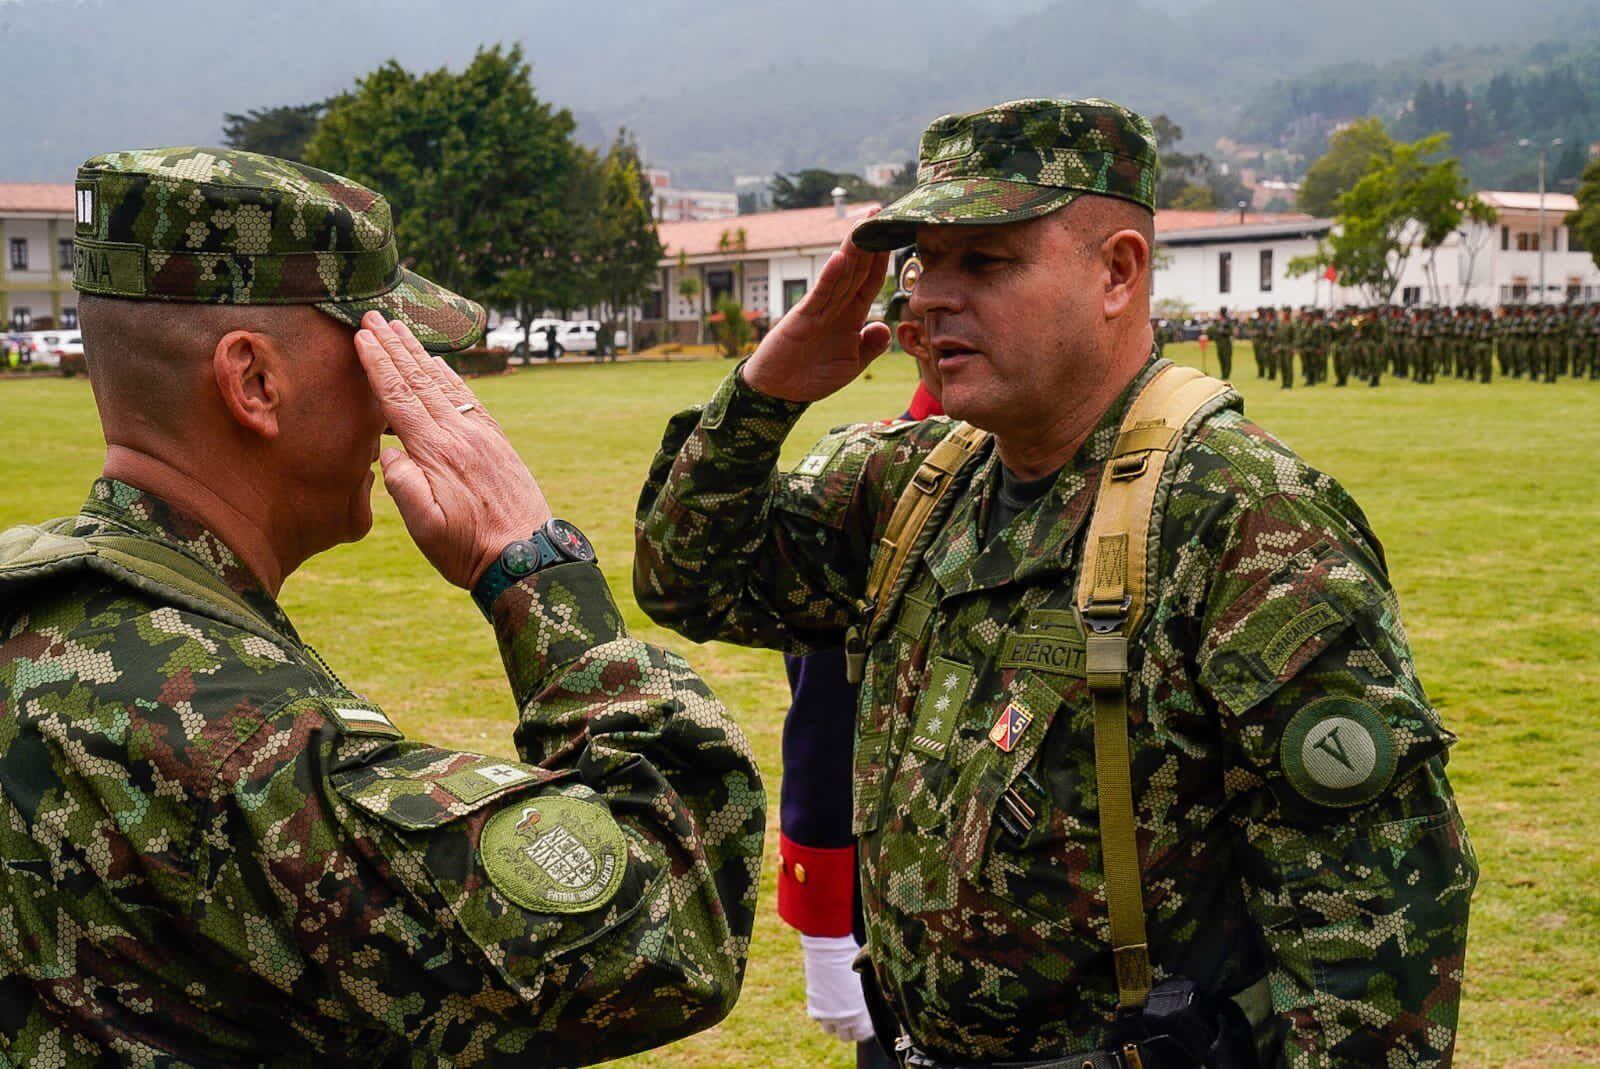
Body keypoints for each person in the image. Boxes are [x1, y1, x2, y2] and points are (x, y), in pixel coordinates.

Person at [633, 98, 1475, 1067]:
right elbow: (684, 576)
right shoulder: (913, 483)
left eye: (983, 262)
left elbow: (1368, 944)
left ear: (1116, 271)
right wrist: (764, 395)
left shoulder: (1245, 522)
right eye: (920, 265)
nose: (927, 300)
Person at [0, 147, 764, 1066]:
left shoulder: (31, 610)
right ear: (253, 382)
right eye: (379, 344)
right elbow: (675, 920)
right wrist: (532, 565)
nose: (398, 403)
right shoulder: (240, 742)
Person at [779, 264, 939, 1069]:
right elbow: (823, 722)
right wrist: (825, 929)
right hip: (902, 918)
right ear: (914, 334)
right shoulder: (871, 484)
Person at [1211, 306, 1234, 380]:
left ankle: (1226, 375)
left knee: (1226, 359)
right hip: (1219, 343)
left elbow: (1231, 332)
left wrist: (1223, 331)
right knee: (1220, 358)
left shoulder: (1228, 321)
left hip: (1226, 343)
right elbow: (1214, 330)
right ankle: (1223, 374)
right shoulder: (1218, 321)